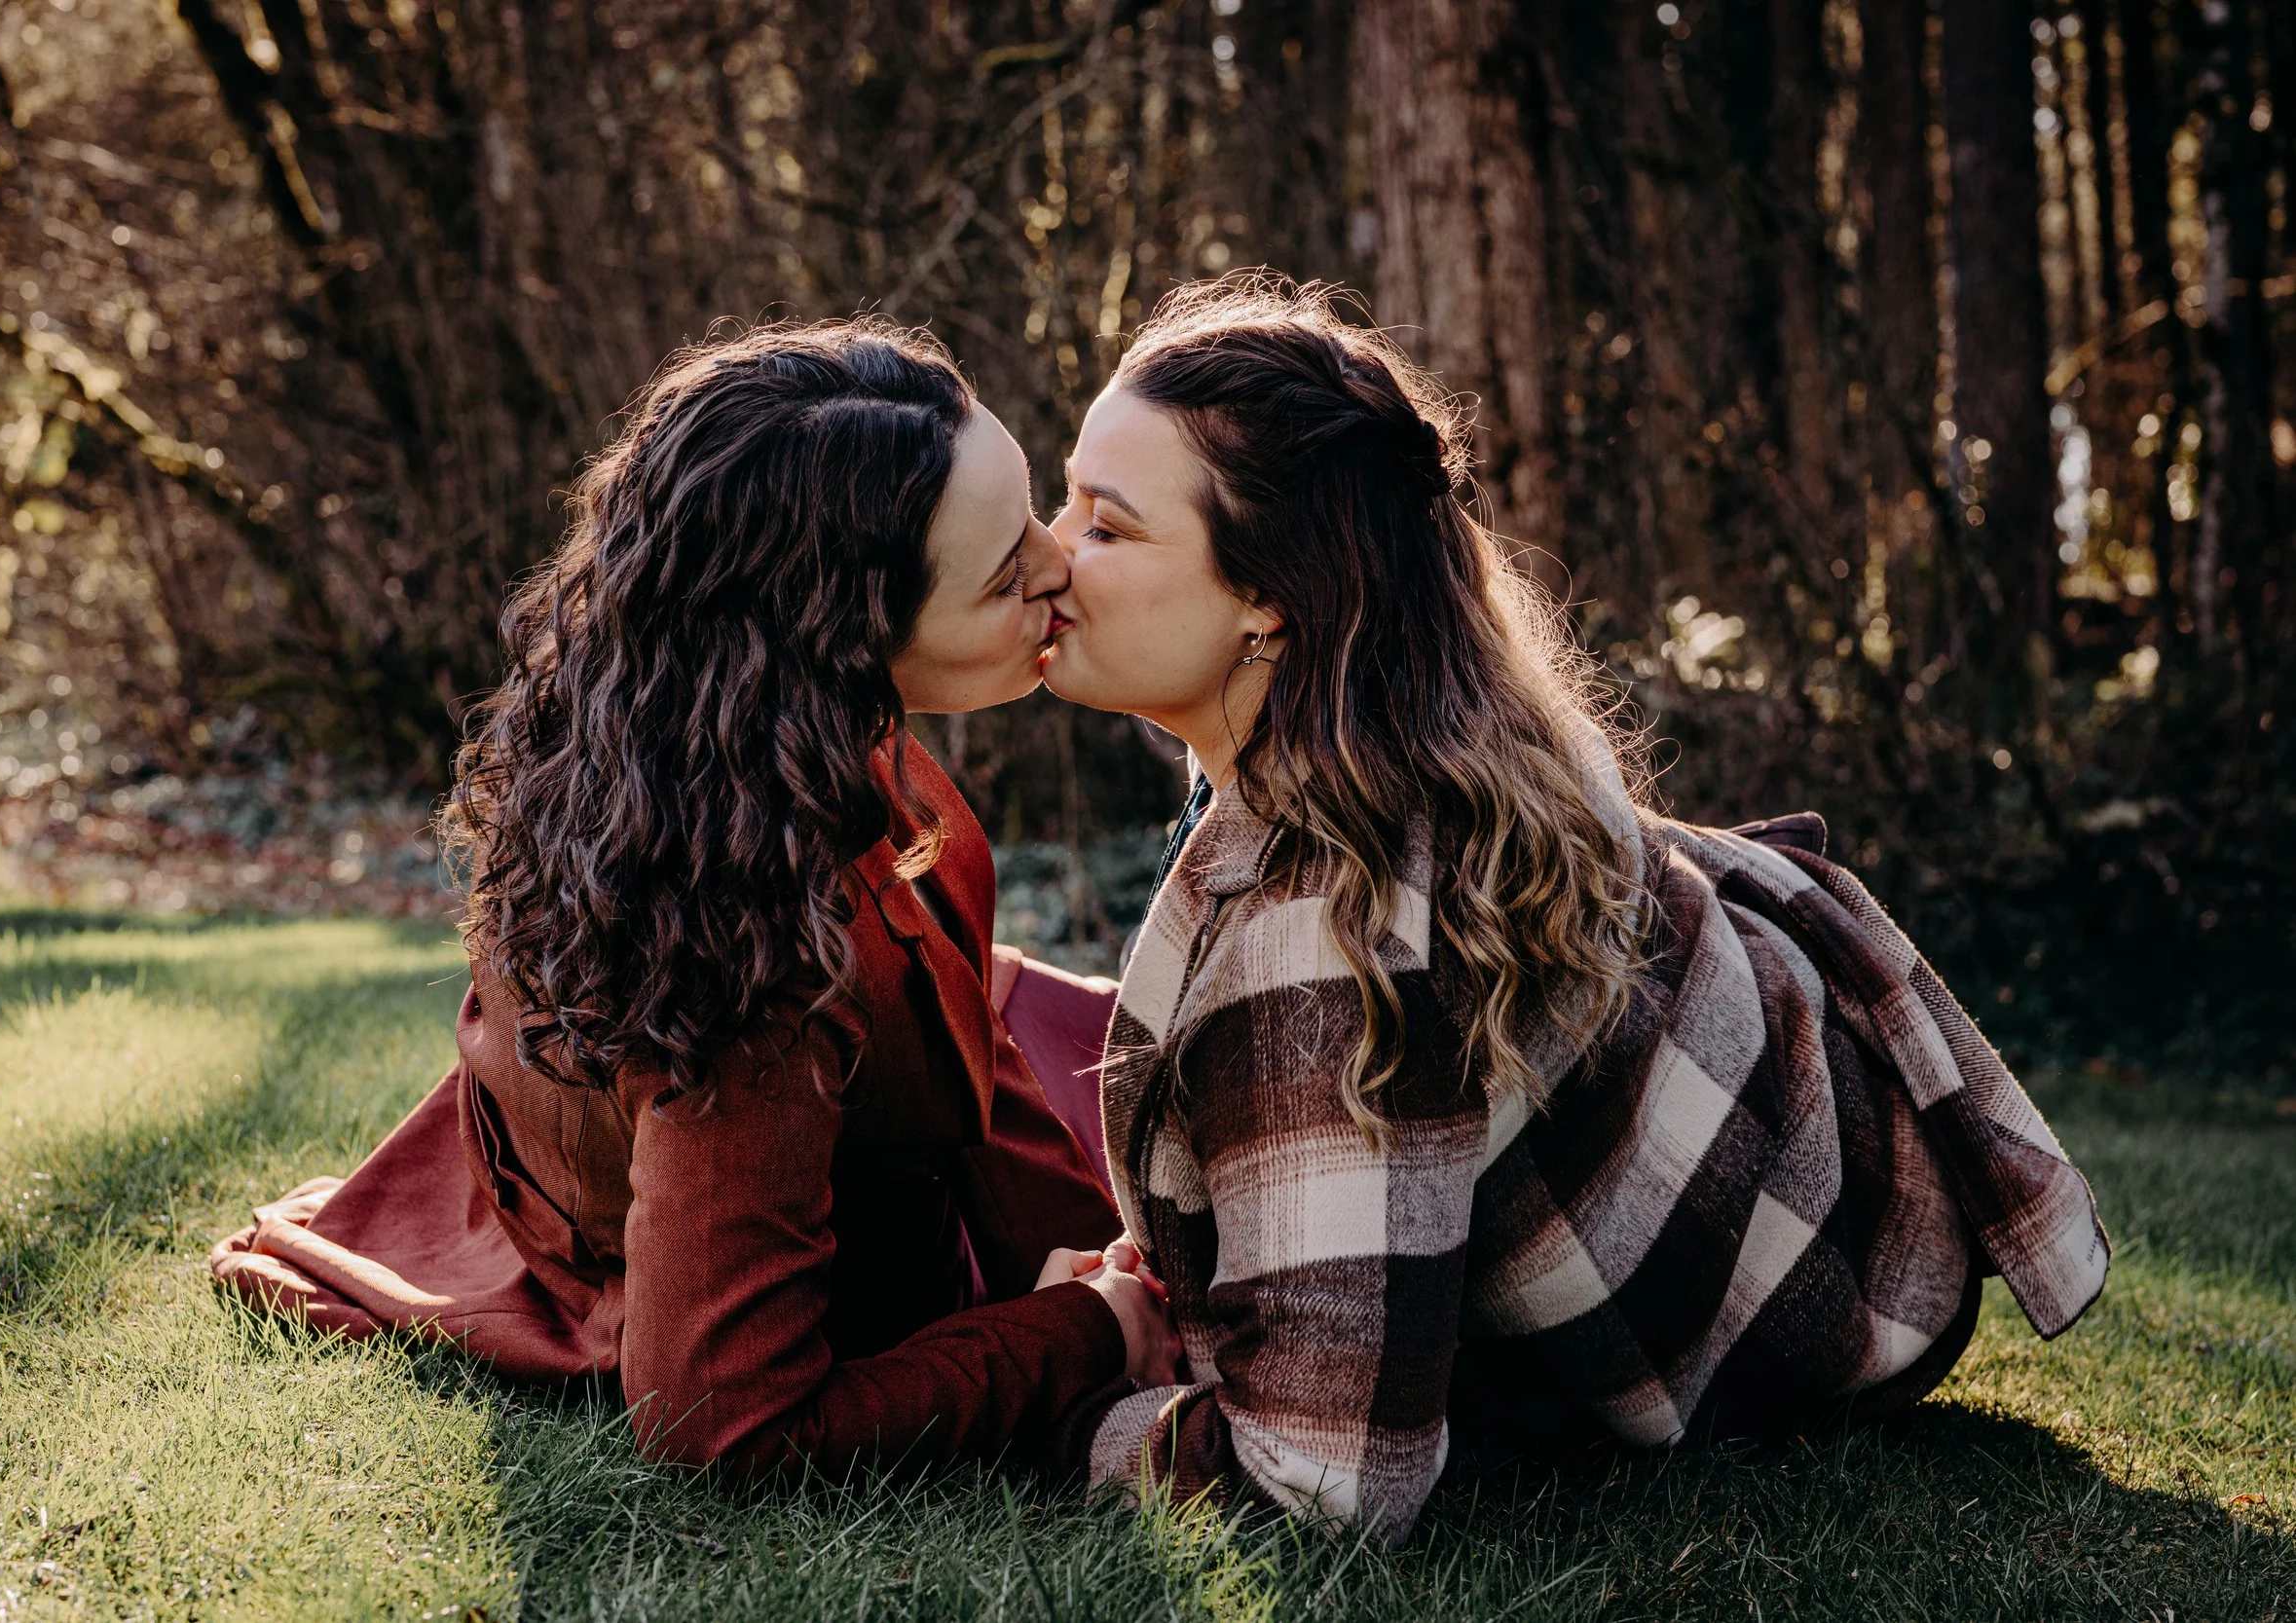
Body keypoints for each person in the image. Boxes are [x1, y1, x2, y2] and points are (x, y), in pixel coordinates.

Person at [1036, 277, 2110, 1544]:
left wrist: (1068, 1397)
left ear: (1272, 594)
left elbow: (1318, 1482)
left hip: (1804, 1300)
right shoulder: (1416, 728)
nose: (1050, 550)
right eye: (1066, 500)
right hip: (1822, 1202)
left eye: (1107, 526)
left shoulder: (1339, 920)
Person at [210, 318, 1179, 1476]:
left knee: (1172, 1060)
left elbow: (956, 1013)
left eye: (1029, 515)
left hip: (888, 1127)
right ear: (842, 637)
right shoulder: (745, 970)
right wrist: (1083, 1327)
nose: (1055, 563)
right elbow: (723, 1423)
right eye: (1000, 571)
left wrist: (1093, 1250)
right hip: (763, 1200)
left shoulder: (744, 745)